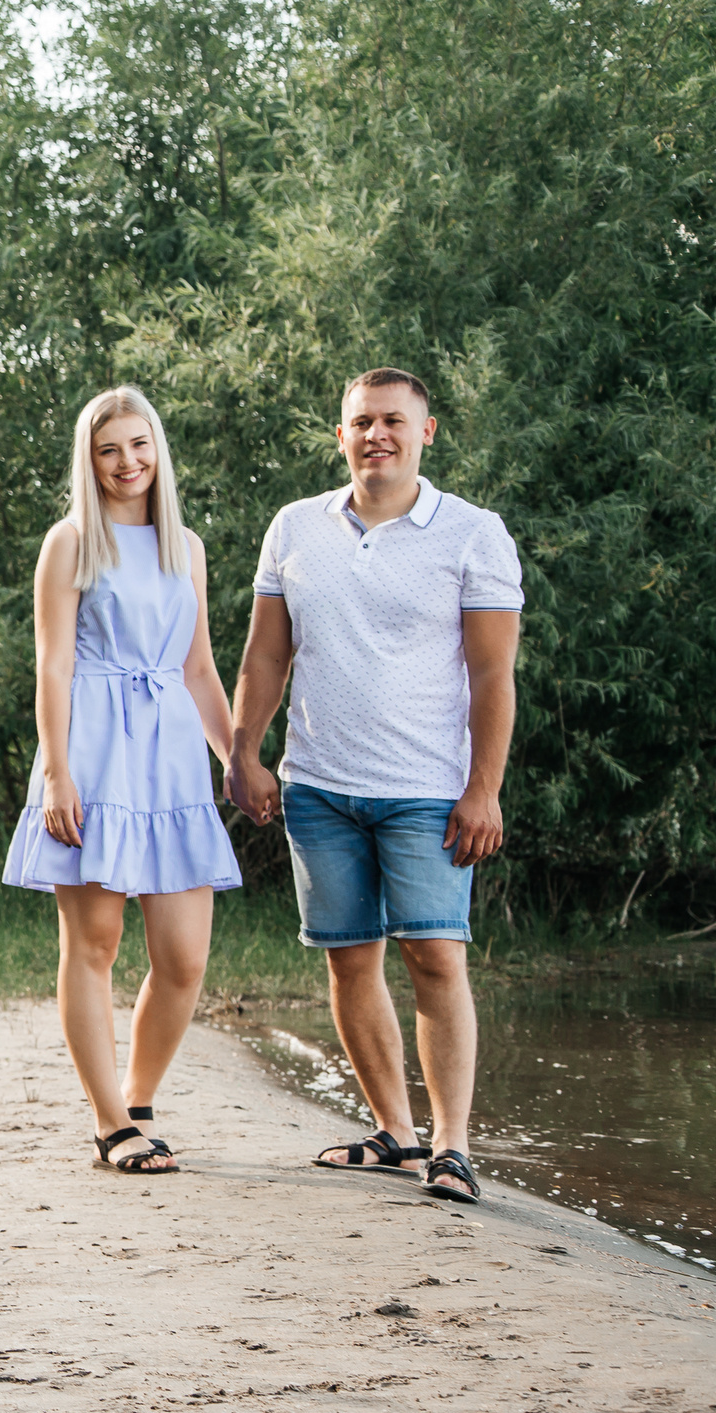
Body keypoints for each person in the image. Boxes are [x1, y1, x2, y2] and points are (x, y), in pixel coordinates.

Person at [226, 368, 521, 1206]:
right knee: (349, 960)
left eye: (394, 420)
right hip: (318, 785)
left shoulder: (473, 533)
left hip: (427, 790)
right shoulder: (295, 526)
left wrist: (484, 789)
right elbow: (266, 654)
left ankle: (453, 1147)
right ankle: (395, 1131)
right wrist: (244, 752)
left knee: (435, 957)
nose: (376, 435)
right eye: (361, 422)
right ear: (341, 434)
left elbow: (492, 676)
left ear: (427, 432)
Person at [4, 385, 243, 1174]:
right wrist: (57, 773)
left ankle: (138, 1101)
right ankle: (111, 1125)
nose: (126, 462)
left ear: (157, 451)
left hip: (170, 757)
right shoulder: (71, 541)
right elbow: (53, 664)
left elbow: (199, 668)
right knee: (94, 944)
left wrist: (236, 758)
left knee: (183, 958)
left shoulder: (187, 548)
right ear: (90, 459)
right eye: (108, 449)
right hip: (95, 749)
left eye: (139, 445)